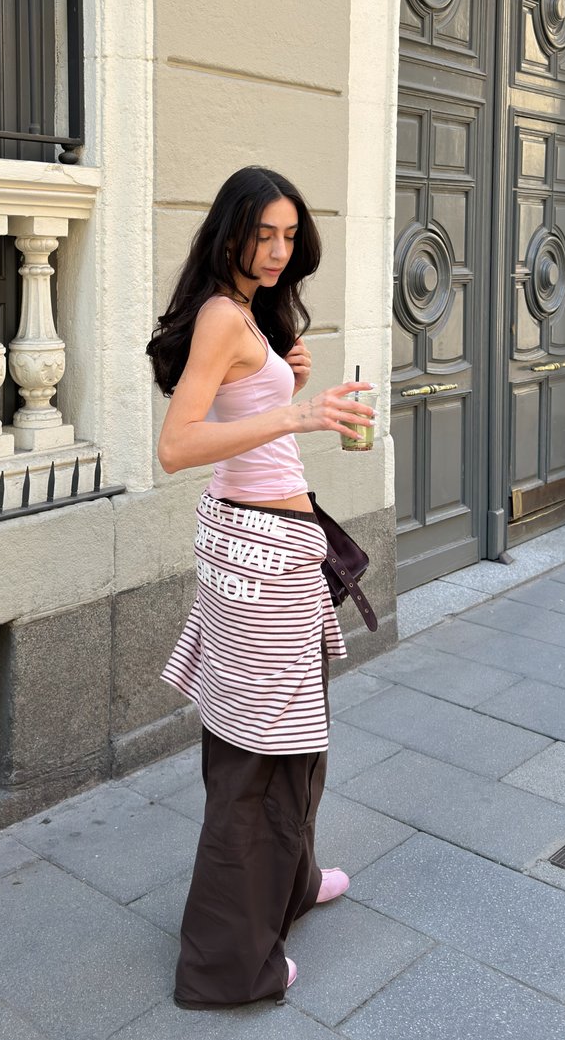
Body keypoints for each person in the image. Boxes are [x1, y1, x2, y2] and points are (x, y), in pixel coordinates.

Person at [146, 166, 375, 1010]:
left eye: (289, 236)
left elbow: (240, 412)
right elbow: (177, 446)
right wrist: (295, 411)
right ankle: (227, 964)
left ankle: (293, 883)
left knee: (292, 735)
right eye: (263, 235)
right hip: (262, 556)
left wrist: (284, 371)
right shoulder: (217, 314)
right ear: (230, 232)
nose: (278, 251)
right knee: (261, 752)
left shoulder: (239, 312)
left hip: (269, 545)